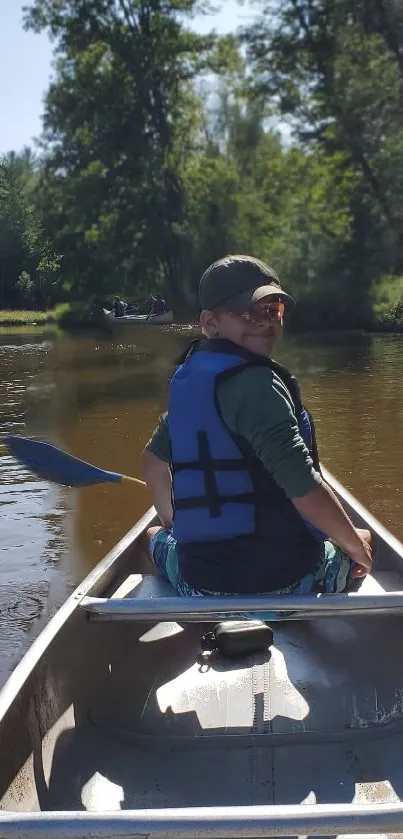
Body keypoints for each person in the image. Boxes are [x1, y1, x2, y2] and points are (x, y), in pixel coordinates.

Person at [140, 255, 372, 612]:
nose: (265, 323)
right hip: (286, 585)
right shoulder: (260, 386)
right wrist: (357, 548)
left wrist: (174, 524)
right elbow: (304, 487)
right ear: (210, 322)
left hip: (199, 586)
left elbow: (153, 462)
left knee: (154, 536)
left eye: (273, 309)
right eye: (249, 312)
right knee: (363, 540)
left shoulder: (191, 382)